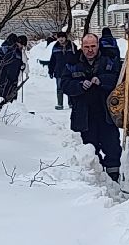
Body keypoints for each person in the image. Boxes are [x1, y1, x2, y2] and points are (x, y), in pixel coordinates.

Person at [59, 32, 123, 180]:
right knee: (89, 148)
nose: (90, 50)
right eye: (86, 47)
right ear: (81, 46)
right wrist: (79, 85)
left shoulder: (109, 60)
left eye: (93, 46)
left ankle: (113, 179)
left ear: (98, 45)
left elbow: (119, 80)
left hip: (106, 114)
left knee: (112, 147)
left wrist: (102, 81)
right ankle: (95, 179)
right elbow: (65, 84)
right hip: (83, 115)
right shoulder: (72, 63)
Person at [42, 30, 76, 111]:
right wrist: (51, 70)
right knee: (59, 88)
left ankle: (71, 103)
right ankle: (60, 104)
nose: (61, 39)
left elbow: (76, 57)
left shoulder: (72, 46)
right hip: (59, 71)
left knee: (70, 87)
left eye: (62, 37)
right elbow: (52, 60)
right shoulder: (55, 47)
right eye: (59, 37)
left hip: (70, 71)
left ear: (65, 38)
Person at [0, 35, 24, 102]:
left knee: (3, 93)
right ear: (19, 42)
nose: (22, 47)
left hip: (0, 75)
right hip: (5, 77)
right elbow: (12, 65)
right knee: (5, 95)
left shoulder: (7, 47)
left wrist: (21, 64)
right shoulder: (13, 50)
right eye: (22, 45)